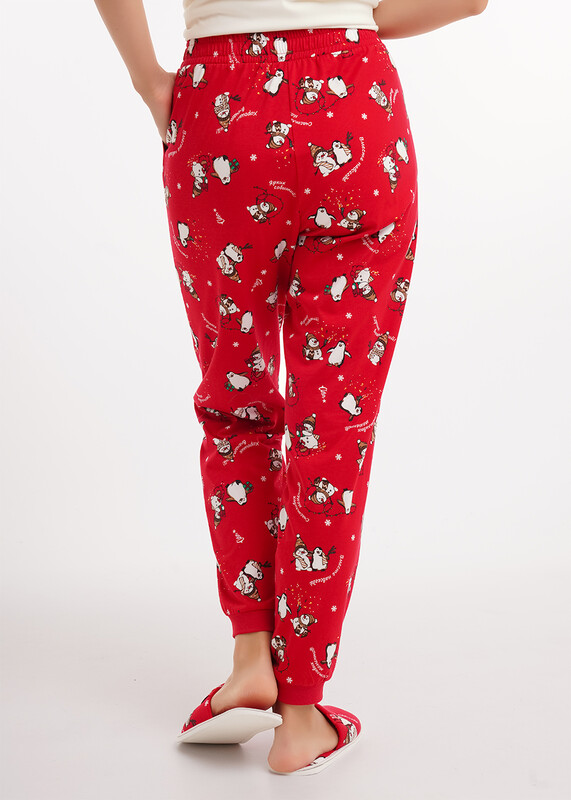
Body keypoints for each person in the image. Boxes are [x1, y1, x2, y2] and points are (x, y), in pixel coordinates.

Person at [93, 0, 488, 776]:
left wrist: (150, 82)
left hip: (219, 115)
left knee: (233, 399)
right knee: (332, 428)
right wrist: (351, 17)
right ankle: (301, 713)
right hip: (353, 112)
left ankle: (251, 657)